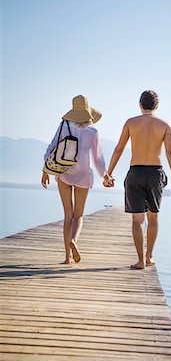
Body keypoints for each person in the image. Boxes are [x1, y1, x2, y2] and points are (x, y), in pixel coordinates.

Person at [105, 90, 171, 270]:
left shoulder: (131, 123)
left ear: (140, 104)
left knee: (137, 220)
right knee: (152, 218)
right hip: (155, 173)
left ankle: (140, 261)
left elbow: (118, 149)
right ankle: (149, 256)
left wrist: (109, 173)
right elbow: (170, 153)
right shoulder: (164, 125)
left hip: (135, 172)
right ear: (157, 106)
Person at [41, 95, 113, 264]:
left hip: (64, 174)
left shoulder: (64, 126)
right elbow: (97, 159)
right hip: (83, 176)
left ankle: (67, 257)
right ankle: (74, 240)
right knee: (78, 216)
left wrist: (45, 170)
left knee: (68, 215)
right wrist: (106, 176)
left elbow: (52, 147)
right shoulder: (93, 132)